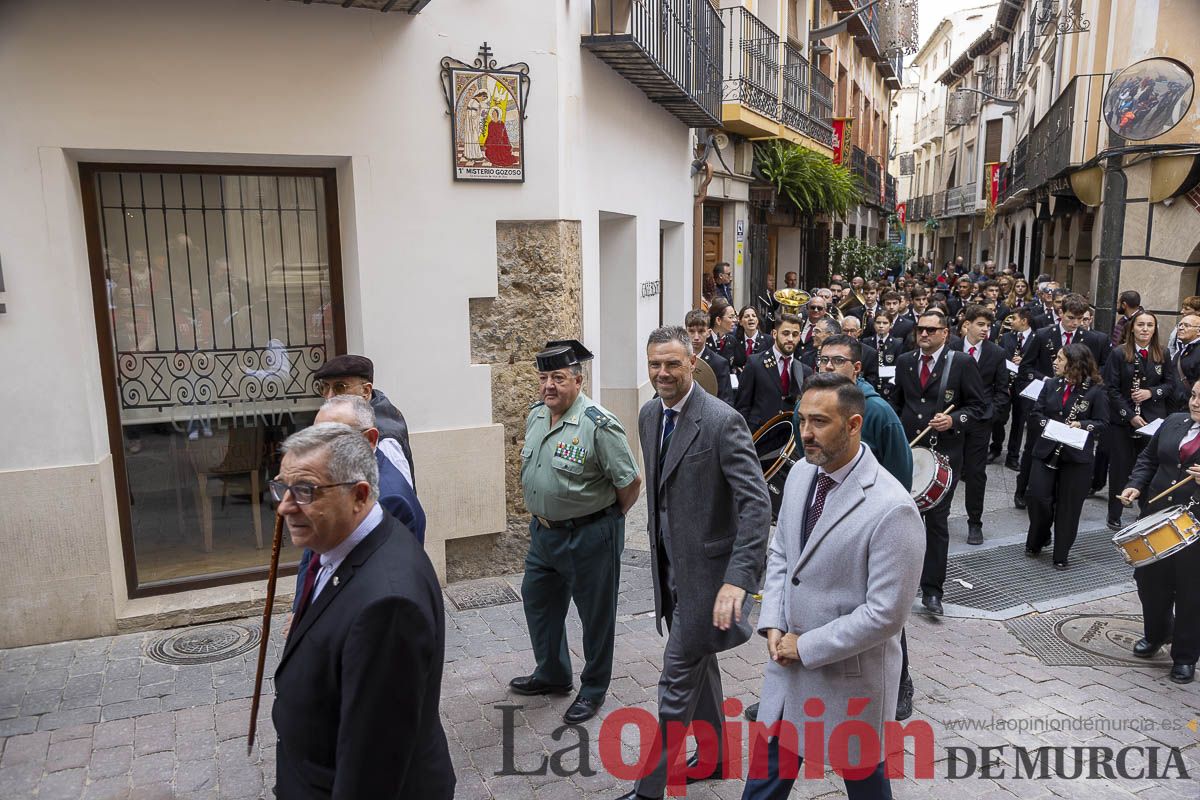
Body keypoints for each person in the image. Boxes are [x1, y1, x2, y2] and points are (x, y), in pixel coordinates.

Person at [743, 373, 924, 800]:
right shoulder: (803, 474)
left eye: (820, 422)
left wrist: (804, 646)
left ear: (854, 424)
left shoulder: (892, 507)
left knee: (865, 785)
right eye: (802, 420)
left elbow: (886, 614)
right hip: (786, 675)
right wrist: (772, 621)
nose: (805, 433)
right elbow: (783, 552)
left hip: (848, 680)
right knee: (764, 783)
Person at [615, 326, 770, 800]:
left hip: (708, 582)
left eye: (672, 364)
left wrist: (738, 581)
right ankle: (718, 755)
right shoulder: (647, 415)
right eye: (654, 364)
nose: (663, 373)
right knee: (702, 664)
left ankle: (649, 790)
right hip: (669, 575)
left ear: (692, 362)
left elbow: (757, 505)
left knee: (674, 683)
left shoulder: (722, 421)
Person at [271, 423, 453, 799]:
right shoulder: (340, 545)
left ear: (359, 495)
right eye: (282, 487)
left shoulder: (388, 606)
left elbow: (372, 766)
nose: (284, 506)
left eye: (305, 490)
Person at [511, 340, 642, 724]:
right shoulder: (537, 416)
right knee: (537, 599)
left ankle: (593, 688)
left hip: (589, 535)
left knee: (596, 616)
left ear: (578, 381)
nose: (548, 385)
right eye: (543, 377)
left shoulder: (599, 424)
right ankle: (552, 673)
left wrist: (606, 520)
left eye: (558, 378)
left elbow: (630, 482)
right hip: (544, 535)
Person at [286, 396, 429, 635]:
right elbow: (312, 555)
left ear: (369, 440)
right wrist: (300, 608)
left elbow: (374, 595)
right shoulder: (338, 480)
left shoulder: (387, 500)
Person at [890, 309, 986, 615]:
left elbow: (979, 407)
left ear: (946, 333)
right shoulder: (905, 361)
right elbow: (899, 402)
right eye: (921, 329)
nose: (925, 335)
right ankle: (901, 582)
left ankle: (933, 591)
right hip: (909, 452)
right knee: (903, 518)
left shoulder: (961, 363)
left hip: (943, 455)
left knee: (936, 521)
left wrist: (954, 419)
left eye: (932, 330)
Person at [1117, 377, 1200, 684]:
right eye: (1193, 396)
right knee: (1148, 581)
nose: (1195, 402)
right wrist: (1134, 485)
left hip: (1195, 527)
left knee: (1192, 593)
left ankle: (1185, 656)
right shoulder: (1174, 422)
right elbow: (1149, 459)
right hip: (1155, 518)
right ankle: (1157, 633)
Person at [1015, 294, 1109, 507]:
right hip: (1047, 399)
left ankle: (1056, 492)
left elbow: (1099, 370)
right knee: (1033, 447)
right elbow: (1026, 367)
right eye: (1070, 317)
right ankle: (1023, 490)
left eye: (1079, 318)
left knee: (1067, 450)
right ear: (1060, 314)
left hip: (1075, 403)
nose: (1074, 323)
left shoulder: (1093, 339)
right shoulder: (1042, 334)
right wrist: (1046, 379)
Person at [1025, 344, 1109, 570]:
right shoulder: (1051, 384)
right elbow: (1036, 413)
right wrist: (1052, 426)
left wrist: (1081, 424)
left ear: (1074, 364)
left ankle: (1061, 553)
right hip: (1047, 450)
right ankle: (1038, 538)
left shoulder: (1096, 390)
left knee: (1069, 508)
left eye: (1060, 359)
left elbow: (1102, 423)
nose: (1055, 362)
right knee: (1038, 498)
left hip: (1076, 457)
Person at [1103, 311, 1179, 531]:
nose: (1145, 329)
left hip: (1153, 421)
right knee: (1120, 467)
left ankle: (1145, 513)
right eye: (1141, 325)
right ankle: (1114, 513)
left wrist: (1151, 393)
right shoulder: (1118, 353)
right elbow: (1111, 389)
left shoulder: (1162, 353)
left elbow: (1170, 385)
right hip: (1123, 420)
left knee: (1150, 467)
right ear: (1132, 328)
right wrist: (1130, 415)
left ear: (1155, 329)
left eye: (1150, 325)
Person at [313, 354, 416, 488]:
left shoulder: (385, 438)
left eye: (340, 387)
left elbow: (399, 496)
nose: (329, 396)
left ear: (366, 391)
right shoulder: (366, 410)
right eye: (325, 387)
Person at [954, 305, 1011, 544]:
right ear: (967, 325)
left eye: (988, 326)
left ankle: (974, 522)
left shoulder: (995, 353)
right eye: (980, 324)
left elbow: (1002, 389)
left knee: (977, 473)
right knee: (950, 470)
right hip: (953, 418)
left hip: (981, 421)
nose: (985, 329)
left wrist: (991, 415)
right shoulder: (952, 348)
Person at [735, 313, 811, 433]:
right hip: (759, 436)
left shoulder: (805, 370)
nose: (790, 339)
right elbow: (742, 406)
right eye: (785, 333)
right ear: (774, 334)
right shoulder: (755, 363)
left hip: (788, 438)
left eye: (795, 334)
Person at [1000, 307, 1038, 470]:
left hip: (1025, 385)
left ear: (1024, 321)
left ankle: (1013, 456)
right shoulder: (1007, 337)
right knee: (999, 418)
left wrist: (1023, 362)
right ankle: (995, 447)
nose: (1011, 321)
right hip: (1006, 384)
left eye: (1014, 318)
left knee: (1019, 420)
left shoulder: (1037, 338)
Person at [685, 309, 734, 404]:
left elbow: (726, 400)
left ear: (708, 333)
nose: (696, 337)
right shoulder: (679, 360)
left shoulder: (719, 363)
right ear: (685, 332)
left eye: (701, 331)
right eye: (691, 331)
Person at [708, 299, 747, 372]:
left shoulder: (732, 341)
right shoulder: (705, 339)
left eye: (735, 317)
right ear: (718, 320)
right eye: (731, 317)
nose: (735, 320)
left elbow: (739, 364)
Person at [1173, 313, 1200, 407]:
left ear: (1198, 331)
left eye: (1187, 325)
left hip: (1190, 407)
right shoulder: (1181, 351)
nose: (1181, 328)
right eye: (1180, 325)